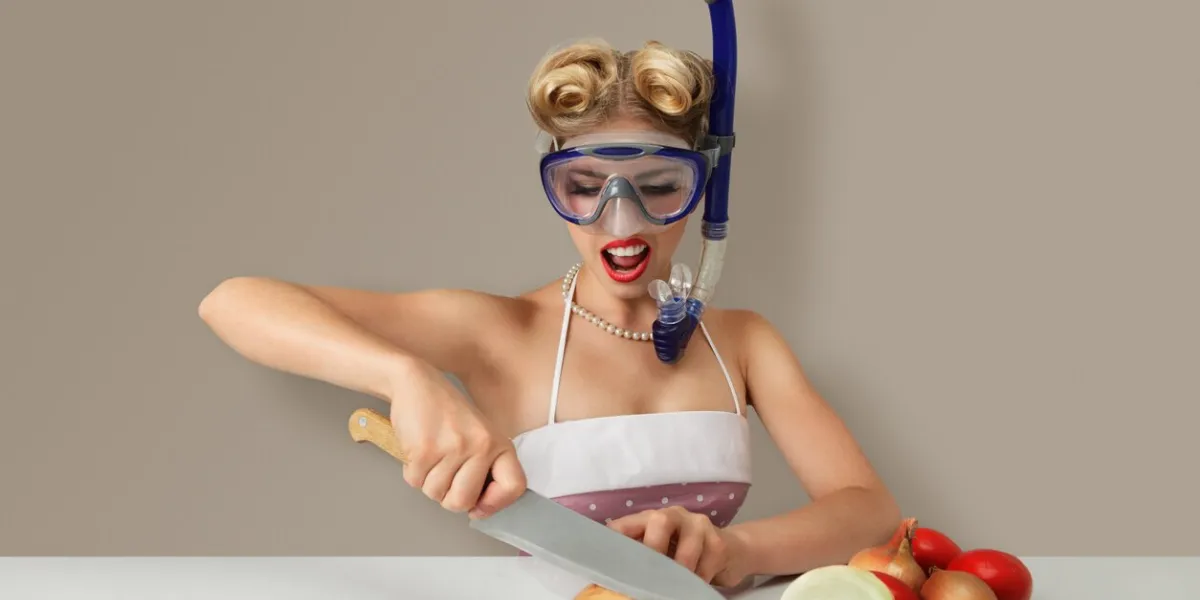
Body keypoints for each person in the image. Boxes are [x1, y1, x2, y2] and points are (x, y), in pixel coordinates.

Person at [198, 38, 900, 590]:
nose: (621, 221)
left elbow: (870, 512)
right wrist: (406, 378)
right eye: (585, 187)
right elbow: (232, 300)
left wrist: (734, 549)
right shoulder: (499, 332)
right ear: (553, 185)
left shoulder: (742, 342)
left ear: (704, 189)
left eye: (660, 185)